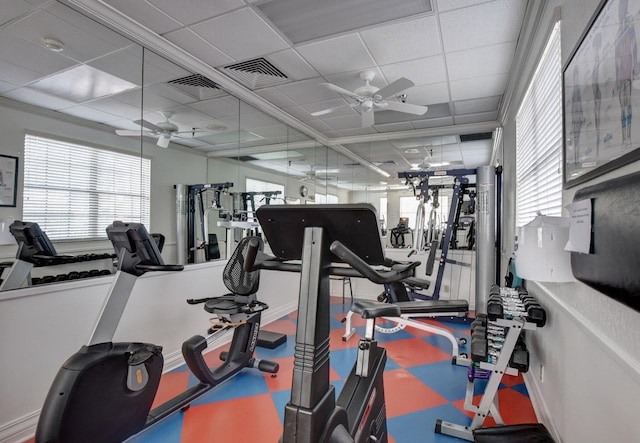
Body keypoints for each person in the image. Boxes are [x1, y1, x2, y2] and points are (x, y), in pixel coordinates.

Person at [615, 0, 638, 147]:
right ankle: (624, 138)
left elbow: (634, 46)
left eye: (623, 10)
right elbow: (616, 56)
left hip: (628, 70)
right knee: (622, 107)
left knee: (627, 105)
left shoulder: (630, 28)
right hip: (621, 74)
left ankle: (628, 137)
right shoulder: (619, 31)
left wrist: (635, 64)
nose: (621, 14)